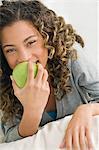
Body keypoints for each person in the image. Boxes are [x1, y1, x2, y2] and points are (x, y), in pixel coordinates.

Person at [0, 0, 99, 149]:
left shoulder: (71, 57)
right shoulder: (5, 83)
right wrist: (32, 111)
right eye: (11, 50)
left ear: (48, 38)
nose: (24, 57)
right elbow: (9, 140)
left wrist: (85, 110)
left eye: (31, 42)